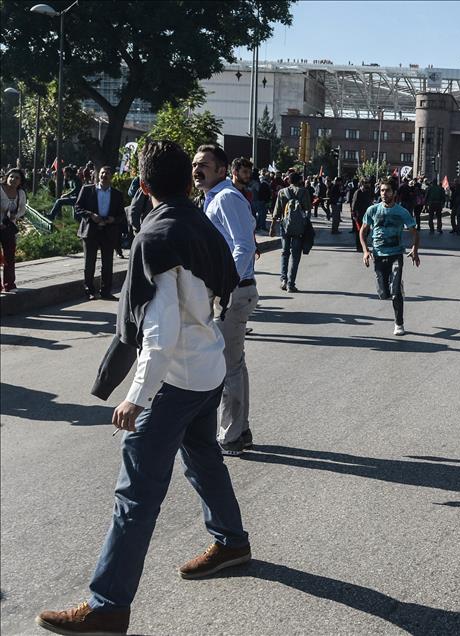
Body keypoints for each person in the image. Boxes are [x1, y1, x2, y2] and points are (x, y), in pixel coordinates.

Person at [35, 140, 250, 636]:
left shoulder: (157, 236)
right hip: (208, 369)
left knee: (136, 493)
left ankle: (107, 604)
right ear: (184, 180)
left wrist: (136, 394)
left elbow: (160, 332)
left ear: (144, 184)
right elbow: (224, 283)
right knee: (203, 457)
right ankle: (232, 541)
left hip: (175, 380)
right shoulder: (199, 220)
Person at [193, 144, 258, 457]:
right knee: (234, 363)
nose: (197, 169)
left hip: (233, 292)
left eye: (204, 164)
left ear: (221, 170)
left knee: (227, 367)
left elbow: (244, 247)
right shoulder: (212, 199)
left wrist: (225, 288)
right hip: (230, 290)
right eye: (195, 163)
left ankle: (230, 435)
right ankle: (239, 429)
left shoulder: (227, 198)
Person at [360, 179, 420, 335]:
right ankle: (397, 287)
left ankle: (399, 324)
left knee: (395, 294)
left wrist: (415, 249)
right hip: (379, 255)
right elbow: (363, 231)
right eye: (381, 190)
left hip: (396, 254)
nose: (384, 194)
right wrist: (366, 251)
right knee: (383, 294)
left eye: (387, 190)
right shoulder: (373, 210)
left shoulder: (402, 212)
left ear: (394, 193)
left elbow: (414, 232)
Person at [74, 166, 125, 300]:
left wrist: (113, 219)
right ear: (98, 175)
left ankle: (106, 291)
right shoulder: (87, 190)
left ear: (111, 176)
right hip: (90, 230)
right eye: (102, 173)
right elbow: (78, 208)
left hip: (108, 232)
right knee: (89, 263)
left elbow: (121, 215)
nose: (104, 175)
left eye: (107, 173)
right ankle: (89, 290)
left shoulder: (117, 194)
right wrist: (91, 215)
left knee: (107, 264)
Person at [271, 172, 312, 291]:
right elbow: (308, 208)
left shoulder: (282, 192)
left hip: (284, 226)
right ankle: (291, 284)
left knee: (284, 253)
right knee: (295, 255)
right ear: (299, 180)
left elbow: (277, 210)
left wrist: (272, 226)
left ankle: (283, 280)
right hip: (299, 228)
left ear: (288, 180)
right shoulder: (304, 192)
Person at [0, 168, 27, 292]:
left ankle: (9, 284)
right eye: (12, 177)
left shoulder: (20, 193)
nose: (14, 180)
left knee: (9, 256)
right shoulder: (0, 189)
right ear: (7, 177)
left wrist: (15, 216)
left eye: (17, 178)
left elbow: (22, 209)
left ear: (20, 181)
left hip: (9, 227)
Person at [351, 179, 374, 251]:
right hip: (359, 215)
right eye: (366, 183)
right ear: (362, 184)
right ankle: (359, 247)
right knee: (360, 231)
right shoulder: (358, 192)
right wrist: (353, 214)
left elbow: (371, 200)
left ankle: (363, 243)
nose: (367, 185)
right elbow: (354, 204)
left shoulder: (369, 191)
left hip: (367, 214)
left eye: (368, 183)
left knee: (367, 231)